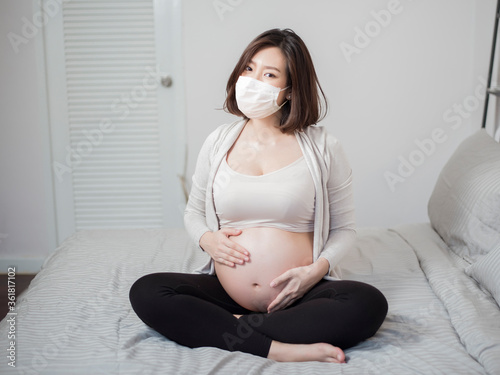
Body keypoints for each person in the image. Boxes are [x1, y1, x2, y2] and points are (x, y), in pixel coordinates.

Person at [129, 28, 388, 363]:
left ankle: (229, 328)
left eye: (269, 74)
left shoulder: (325, 147)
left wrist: (313, 272)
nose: (252, 81)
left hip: (299, 295)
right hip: (225, 290)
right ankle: (277, 348)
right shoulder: (218, 142)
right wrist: (208, 240)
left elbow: (344, 229)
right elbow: (193, 212)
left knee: (367, 304)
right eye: (248, 69)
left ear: (290, 91)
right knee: (147, 292)